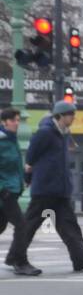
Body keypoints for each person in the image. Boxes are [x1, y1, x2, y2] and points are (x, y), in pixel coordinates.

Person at [4, 100, 83, 275]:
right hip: (45, 188)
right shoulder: (45, 133)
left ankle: (81, 259)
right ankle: (16, 258)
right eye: (70, 115)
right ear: (60, 116)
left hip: (60, 189)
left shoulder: (64, 133)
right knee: (28, 225)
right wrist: (28, 178)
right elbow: (31, 157)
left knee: (69, 226)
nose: (73, 118)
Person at [0, 109, 27, 257]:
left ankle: (14, 259)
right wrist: (2, 189)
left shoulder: (12, 139)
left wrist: (23, 181)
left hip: (12, 190)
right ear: (4, 122)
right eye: (13, 120)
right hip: (5, 193)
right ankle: (19, 261)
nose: (17, 123)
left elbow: (15, 166)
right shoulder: (2, 141)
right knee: (22, 225)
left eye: (18, 120)